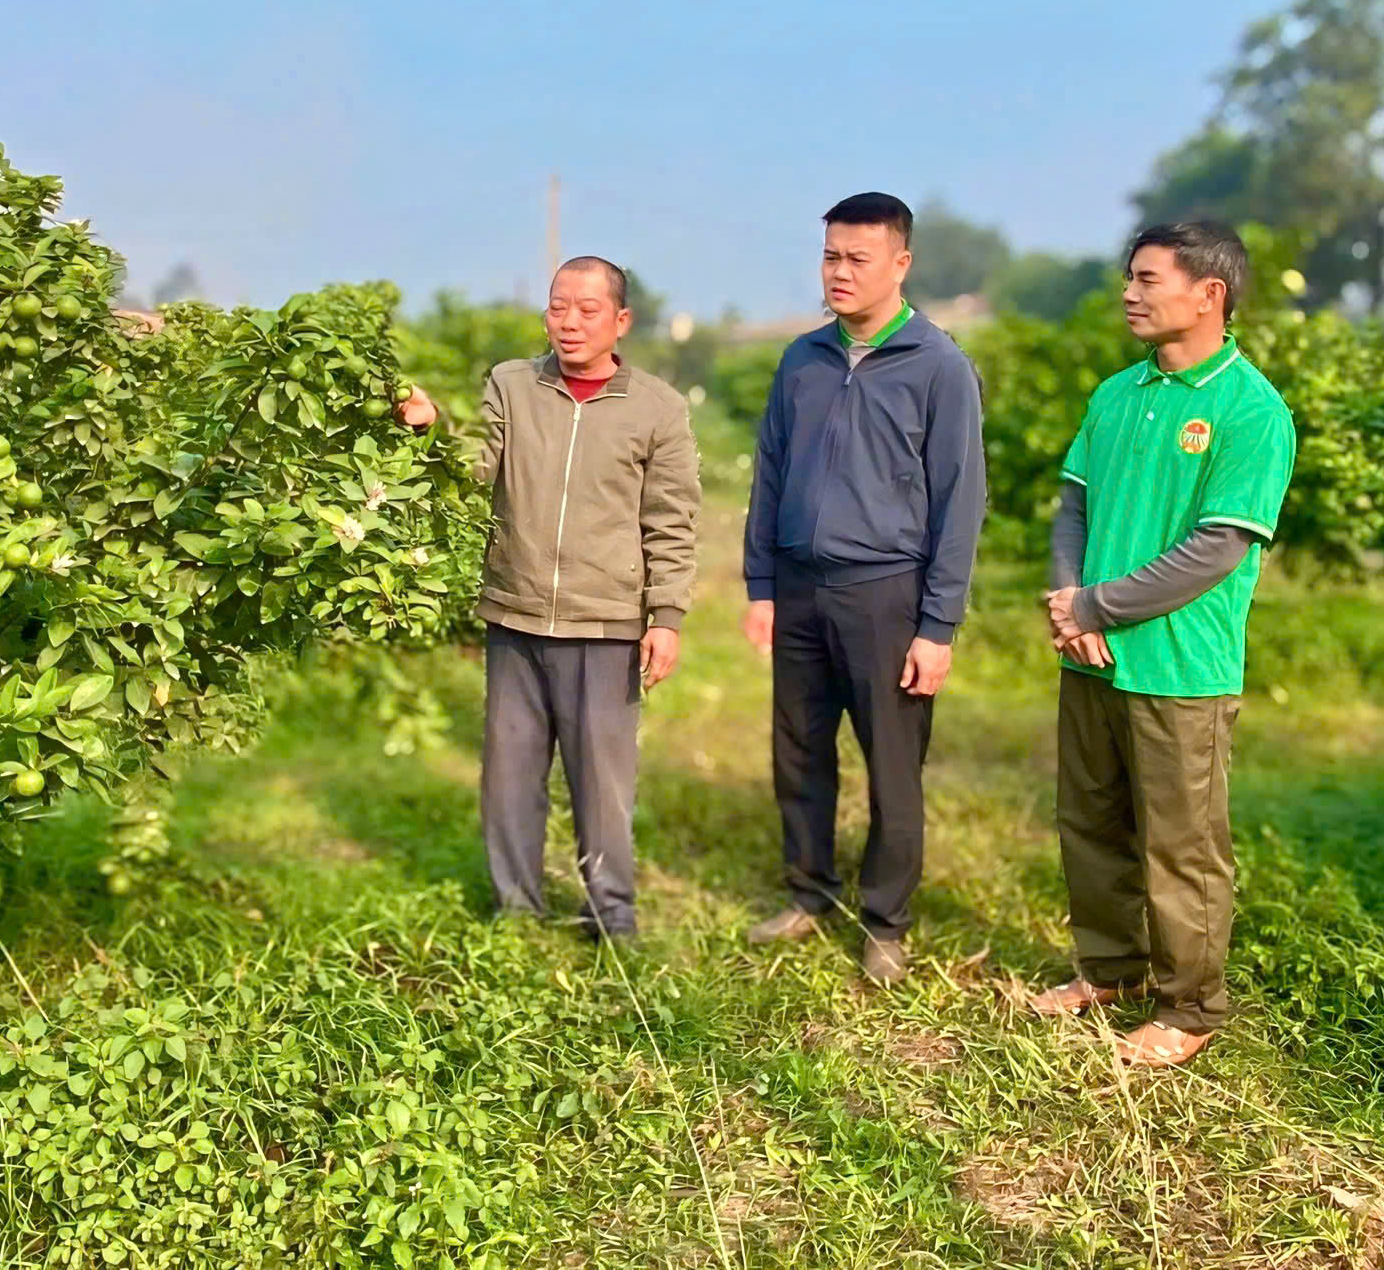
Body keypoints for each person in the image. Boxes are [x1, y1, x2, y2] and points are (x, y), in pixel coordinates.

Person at [1030, 220, 1295, 1069]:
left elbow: (1217, 547)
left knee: (1180, 844)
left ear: (1209, 294)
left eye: (1147, 279)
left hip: (1181, 665)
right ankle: (1111, 969)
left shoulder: (1250, 409)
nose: (1129, 293)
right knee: (1090, 820)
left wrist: (1094, 606)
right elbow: (1073, 506)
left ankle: (1190, 1007)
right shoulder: (1116, 395)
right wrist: (1072, 611)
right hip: (1092, 653)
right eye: (1130, 277)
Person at [395, 256, 700, 940]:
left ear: (621, 320)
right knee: (509, 778)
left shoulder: (657, 408)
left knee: (602, 784)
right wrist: (427, 427)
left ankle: (612, 918)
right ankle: (517, 911)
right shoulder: (511, 384)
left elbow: (671, 520)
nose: (570, 322)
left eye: (588, 310)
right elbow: (474, 467)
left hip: (605, 625)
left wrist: (666, 617)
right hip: (517, 614)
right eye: (558, 307)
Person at [738, 193, 987, 984]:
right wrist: (761, 584)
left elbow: (960, 503)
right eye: (830, 257)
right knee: (799, 753)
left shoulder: (939, 367)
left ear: (901, 264)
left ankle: (885, 922)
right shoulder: (802, 360)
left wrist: (937, 626)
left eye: (857, 259)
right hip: (800, 588)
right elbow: (770, 472)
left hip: (886, 595)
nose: (839, 273)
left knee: (892, 768)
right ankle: (808, 892)